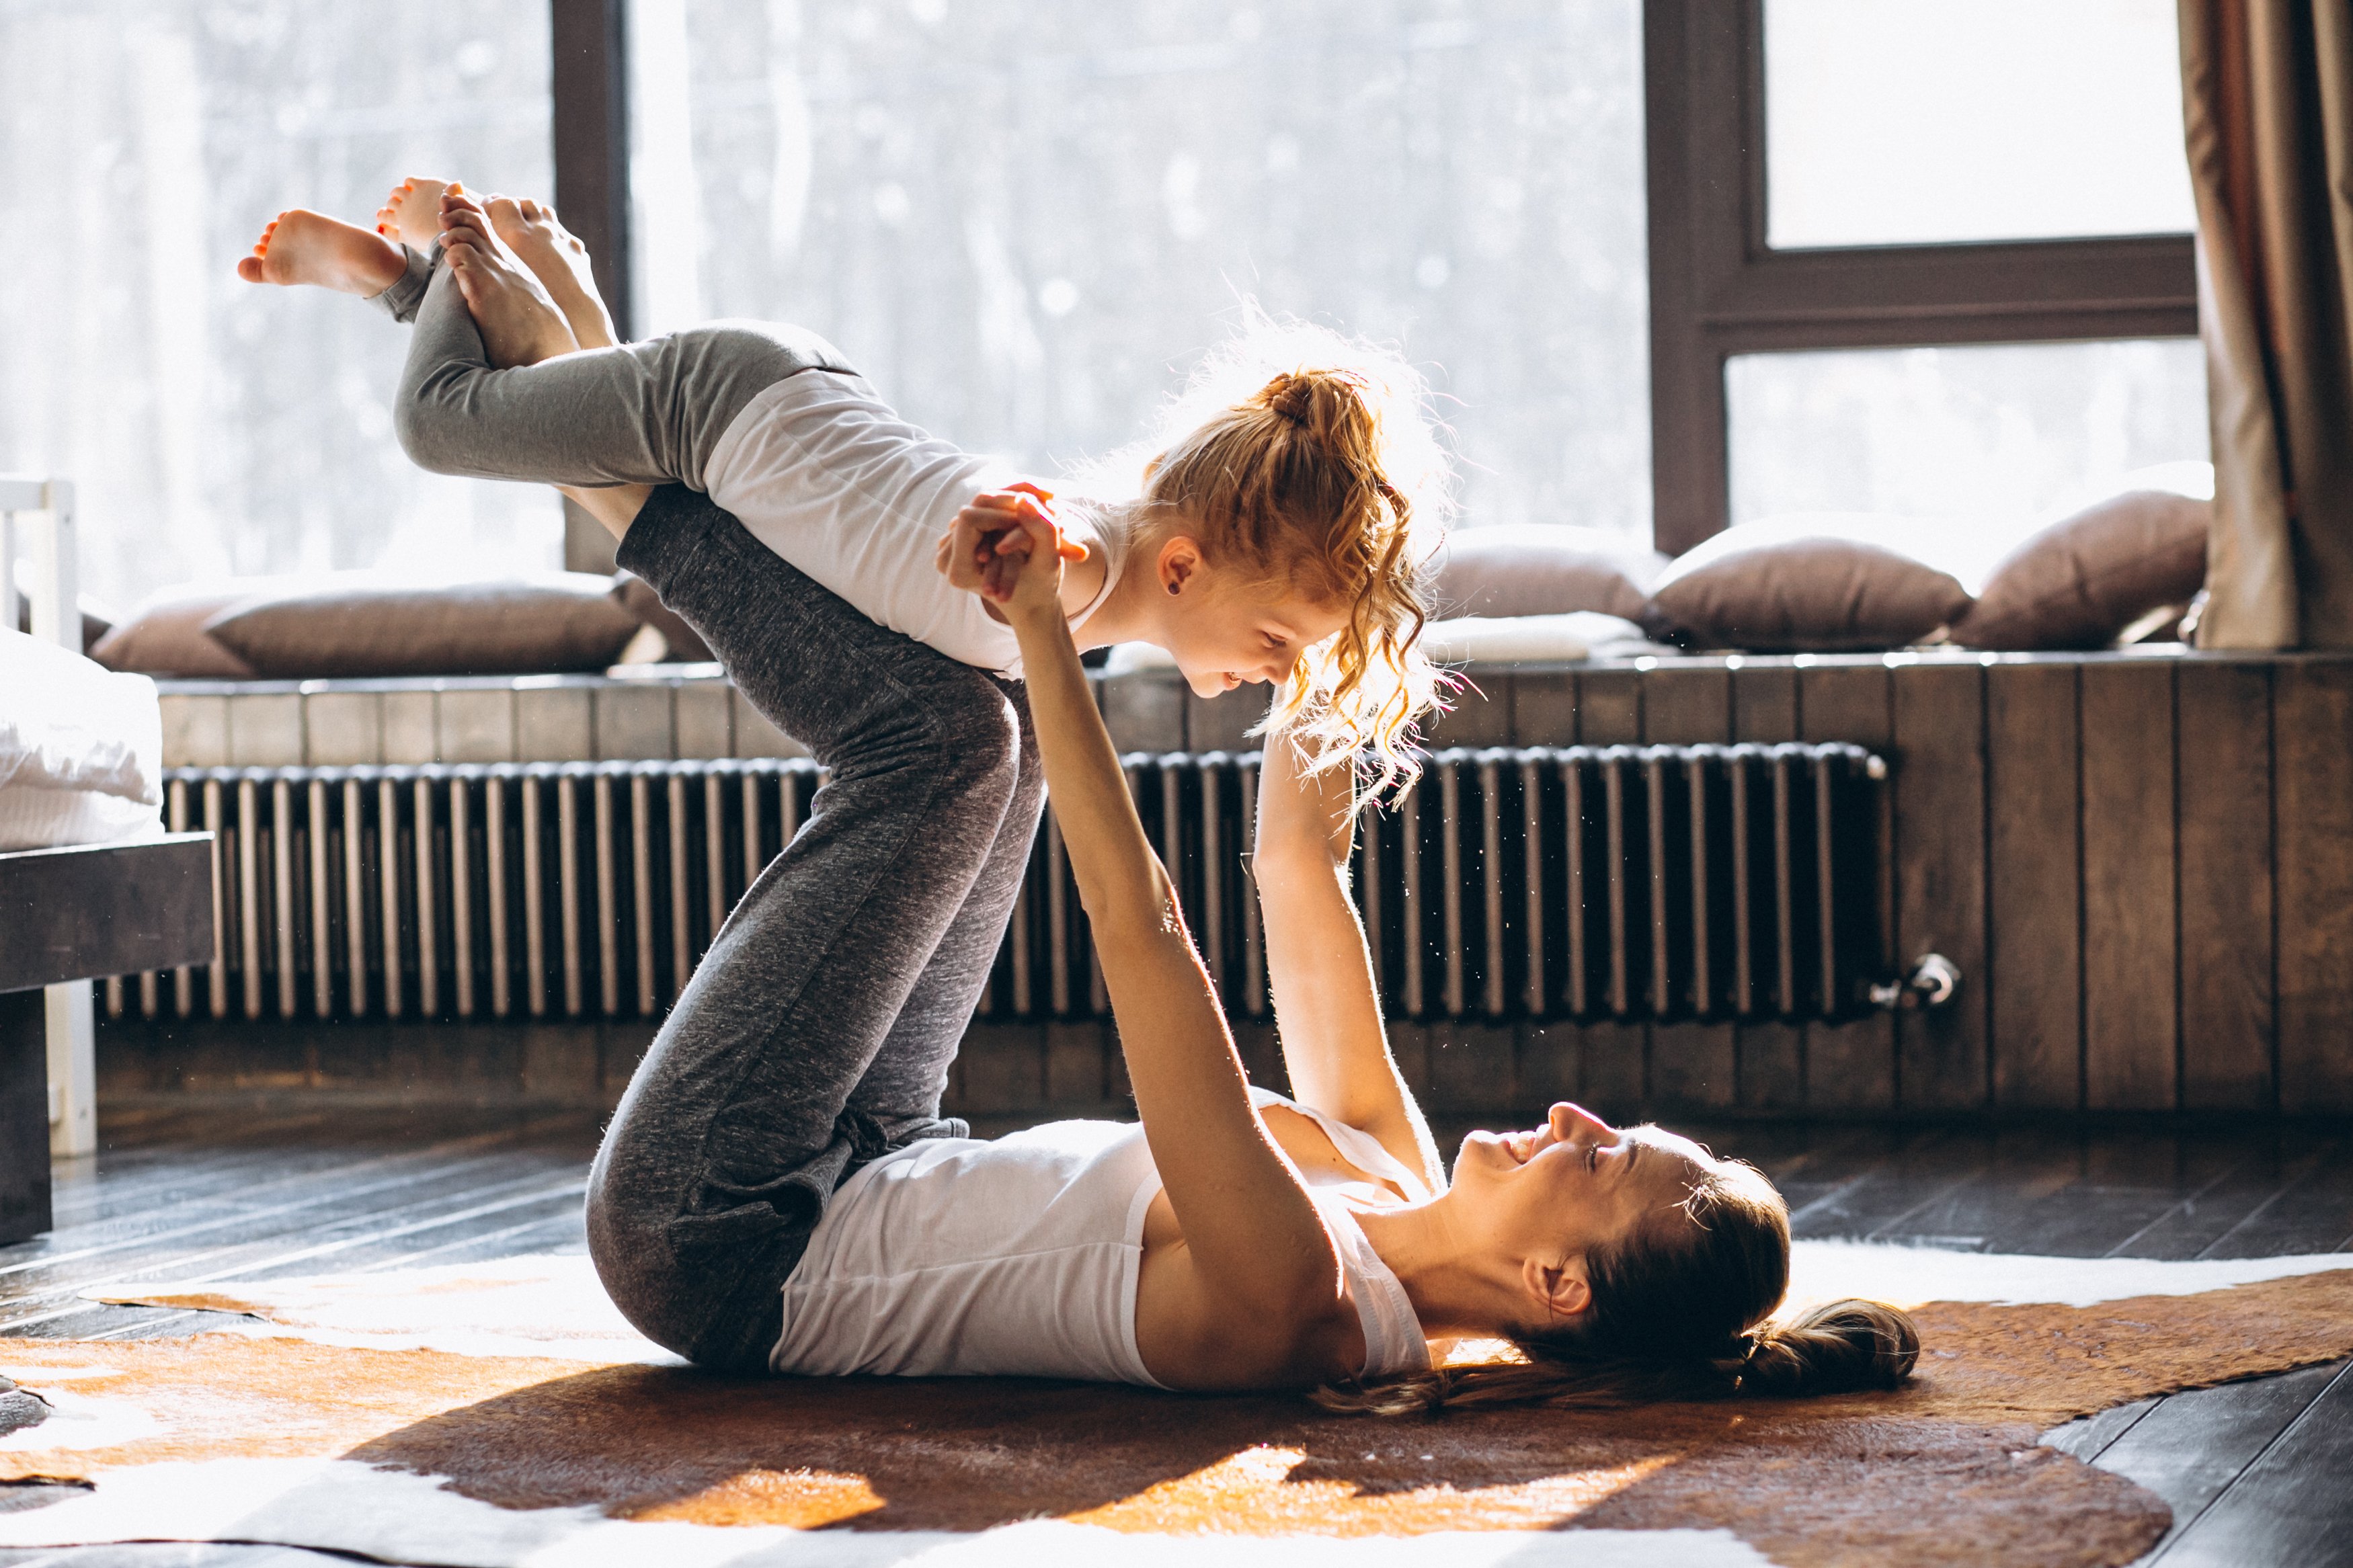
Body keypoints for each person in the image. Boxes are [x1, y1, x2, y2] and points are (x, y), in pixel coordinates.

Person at [234, 177, 1444, 1371]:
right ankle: (428, 284)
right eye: (1275, 647)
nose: (1267, 677)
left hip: (768, 415)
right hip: (737, 410)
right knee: (449, 419)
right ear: (1181, 568)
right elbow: (1062, 537)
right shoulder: (1072, 572)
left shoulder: (1093, 596)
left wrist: (1333, 670)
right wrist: (1036, 552)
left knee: (990, 740)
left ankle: (549, 300)